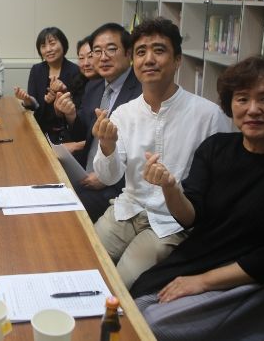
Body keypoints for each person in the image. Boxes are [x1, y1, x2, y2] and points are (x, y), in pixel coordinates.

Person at [132, 56, 264, 340]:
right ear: (230, 105)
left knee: (152, 325)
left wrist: (201, 282)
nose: (253, 109)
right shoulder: (216, 148)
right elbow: (191, 217)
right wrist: (170, 188)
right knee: (131, 306)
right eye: (242, 99)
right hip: (199, 258)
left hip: (252, 278)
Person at [91, 18, 231, 289]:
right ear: (133, 61)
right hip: (127, 209)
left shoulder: (208, 115)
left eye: (159, 50)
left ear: (177, 60)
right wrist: (107, 146)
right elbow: (108, 178)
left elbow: (221, 184)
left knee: (119, 285)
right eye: (141, 52)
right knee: (83, 262)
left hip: (171, 222)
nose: (149, 59)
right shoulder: (124, 113)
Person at [54, 23, 141, 222]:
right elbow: (85, 134)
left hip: (117, 187)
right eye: (97, 51)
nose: (103, 57)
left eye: (111, 49)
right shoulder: (94, 86)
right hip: (84, 173)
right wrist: (71, 115)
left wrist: (106, 177)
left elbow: (141, 153)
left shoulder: (141, 92)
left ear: (129, 53)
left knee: (64, 214)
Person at [14, 27, 80, 143]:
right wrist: (27, 100)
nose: (48, 49)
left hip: (66, 134)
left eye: (52, 44)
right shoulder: (36, 70)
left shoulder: (75, 71)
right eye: (43, 46)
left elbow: (78, 107)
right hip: (40, 130)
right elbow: (35, 106)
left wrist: (58, 95)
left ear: (63, 44)